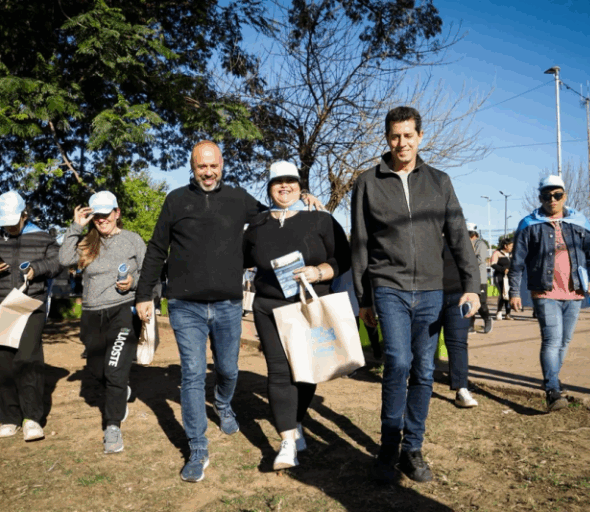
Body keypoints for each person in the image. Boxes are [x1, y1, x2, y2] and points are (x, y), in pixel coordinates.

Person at [134, 140, 322, 483]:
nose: (208, 172)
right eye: (201, 166)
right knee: (192, 375)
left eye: (213, 165)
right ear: (192, 167)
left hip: (228, 304)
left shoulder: (238, 198)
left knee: (228, 369)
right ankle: (197, 447)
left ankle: (223, 403)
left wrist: (303, 201)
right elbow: (158, 247)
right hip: (184, 304)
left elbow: (273, 215)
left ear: (222, 165)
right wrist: (144, 293)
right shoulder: (175, 199)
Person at [351, 106, 480, 484]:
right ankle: (388, 448)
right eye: (394, 136)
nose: (401, 143)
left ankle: (413, 450)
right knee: (397, 361)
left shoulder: (439, 181)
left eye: (408, 135)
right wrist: (364, 298)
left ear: (420, 137)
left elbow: (458, 236)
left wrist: (472, 286)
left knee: (424, 369)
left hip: (431, 290)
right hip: (387, 286)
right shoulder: (368, 182)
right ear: (387, 139)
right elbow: (359, 242)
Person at [243, 161, 351, 470]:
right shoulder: (257, 225)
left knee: (308, 372)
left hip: (309, 306)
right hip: (269, 308)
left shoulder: (320, 220)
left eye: (290, 181)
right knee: (279, 372)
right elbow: (240, 258)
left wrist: (319, 271)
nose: (284, 186)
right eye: (278, 181)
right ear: (269, 187)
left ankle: (296, 419)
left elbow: (342, 258)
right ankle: (287, 442)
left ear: (300, 185)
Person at [59, 191, 147, 454]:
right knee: (97, 371)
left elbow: (148, 274)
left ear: (117, 213)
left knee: (114, 371)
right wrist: (76, 227)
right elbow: (64, 260)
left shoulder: (133, 240)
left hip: (123, 311)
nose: (101, 220)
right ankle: (121, 392)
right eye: (96, 216)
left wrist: (134, 283)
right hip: (91, 314)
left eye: (106, 214)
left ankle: (113, 426)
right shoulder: (87, 242)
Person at [0, 191, 61, 441]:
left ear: (25, 214)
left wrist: (37, 269)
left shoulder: (43, 237)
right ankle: (9, 417)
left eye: (14, 220)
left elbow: (58, 263)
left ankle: (32, 418)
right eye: (5, 221)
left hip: (30, 303)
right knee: (5, 364)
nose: (9, 226)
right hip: (0, 306)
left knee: (27, 360)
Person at [509, 176, 590, 412]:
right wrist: (514, 293)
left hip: (575, 290)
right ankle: (552, 390)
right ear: (540, 198)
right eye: (547, 196)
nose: (552, 199)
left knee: (565, 340)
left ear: (565, 196)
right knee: (551, 340)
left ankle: (553, 380)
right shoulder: (529, 224)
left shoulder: (578, 222)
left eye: (557, 195)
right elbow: (517, 262)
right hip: (544, 290)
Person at [439, 242, 479, 408]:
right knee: (424, 343)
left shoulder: (459, 235)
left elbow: (471, 265)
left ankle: (461, 388)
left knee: (457, 342)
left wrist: (474, 291)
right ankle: (419, 385)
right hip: (429, 296)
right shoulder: (423, 231)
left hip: (459, 296)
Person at [468, 223, 493, 334]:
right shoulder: (464, 244)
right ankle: (470, 325)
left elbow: (480, 260)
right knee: (468, 303)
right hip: (467, 278)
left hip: (480, 278)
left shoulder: (480, 244)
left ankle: (487, 319)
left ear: (473, 233)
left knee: (481, 303)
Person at [491, 238, 514, 320]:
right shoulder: (497, 253)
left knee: (509, 294)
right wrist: (503, 269)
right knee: (503, 294)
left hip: (509, 277)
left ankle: (508, 313)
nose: (512, 247)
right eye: (511, 246)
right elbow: (493, 264)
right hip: (499, 277)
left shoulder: (511, 254)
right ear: (505, 246)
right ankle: (499, 312)